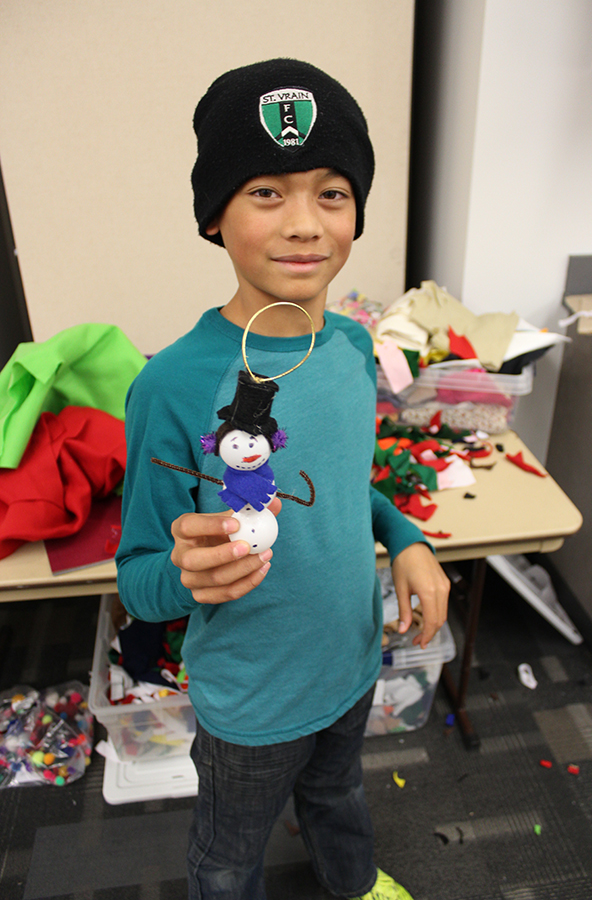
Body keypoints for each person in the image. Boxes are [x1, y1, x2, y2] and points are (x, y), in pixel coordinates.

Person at [116, 58, 450, 900]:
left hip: (351, 661)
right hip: (251, 706)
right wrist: (187, 577)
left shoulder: (345, 349)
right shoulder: (173, 386)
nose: (305, 223)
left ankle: (356, 886)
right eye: (266, 191)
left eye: (331, 192)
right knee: (229, 859)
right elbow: (141, 583)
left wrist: (403, 538)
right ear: (213, 218)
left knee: (339, 795)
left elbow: (343, 491)